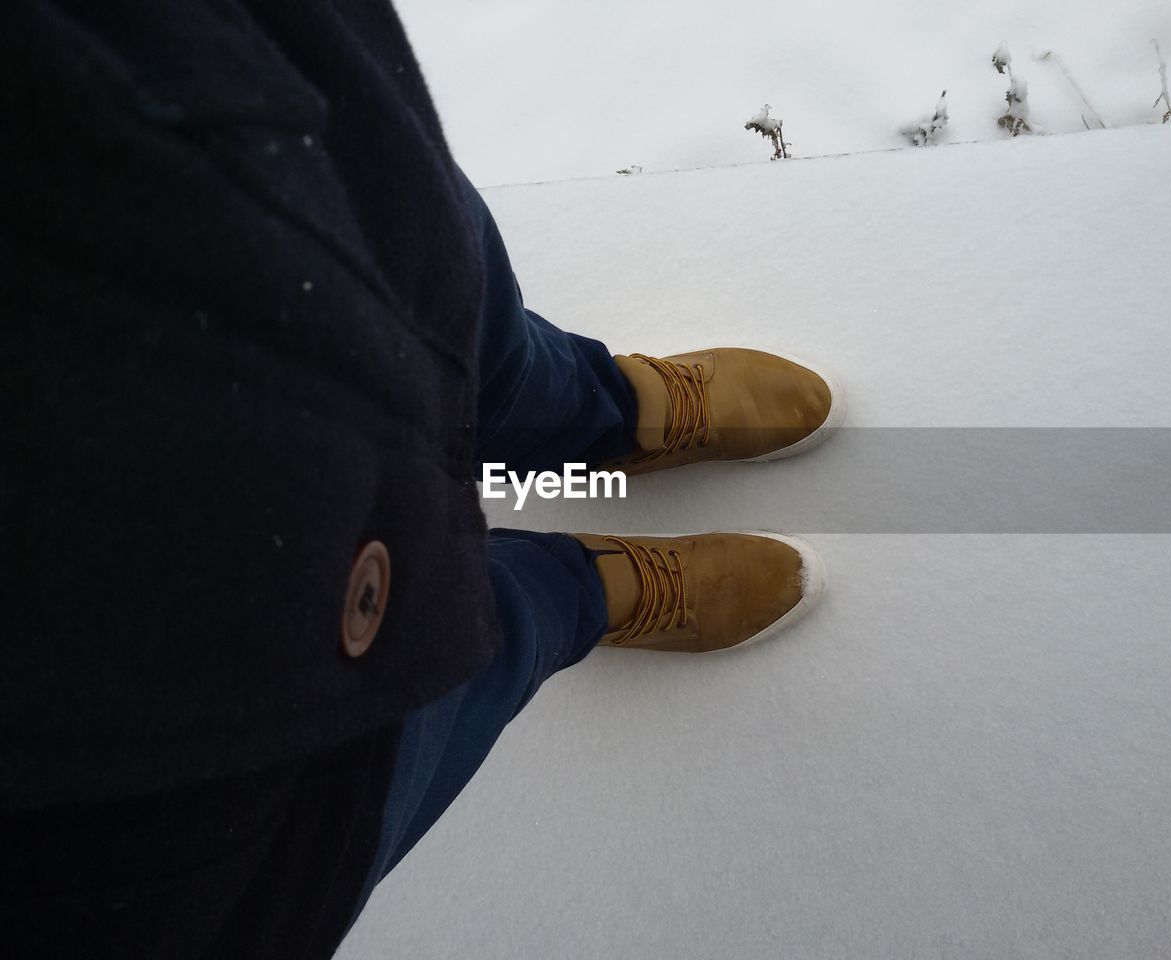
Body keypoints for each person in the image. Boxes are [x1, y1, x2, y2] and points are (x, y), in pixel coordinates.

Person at [0, 1, 845, 957]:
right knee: (480, 646)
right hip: (154, 806)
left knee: (450, 329)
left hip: (202, 142)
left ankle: (603, 412)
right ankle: (590, 589)